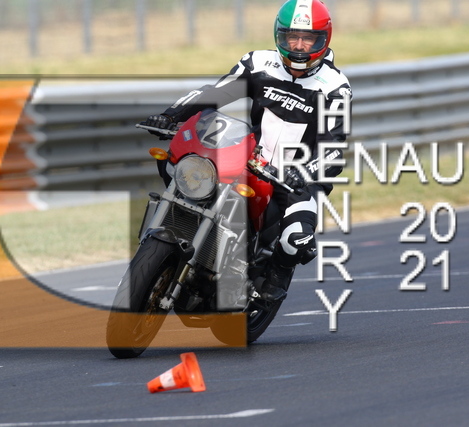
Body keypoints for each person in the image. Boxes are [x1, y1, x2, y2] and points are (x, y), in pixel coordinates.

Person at [143, 0, 352, 303]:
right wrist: (170, 115)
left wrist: (303, 173)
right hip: (254, 160)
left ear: (324, 39)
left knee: (295, 238)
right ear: (279, 35)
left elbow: (335, 148)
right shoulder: (258, 63)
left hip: (299, 180)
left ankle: (275, 277)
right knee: (190, 172)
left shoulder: (335, 87)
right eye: (291, 37)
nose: (298, 46)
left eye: (308, 38)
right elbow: (215, 93)